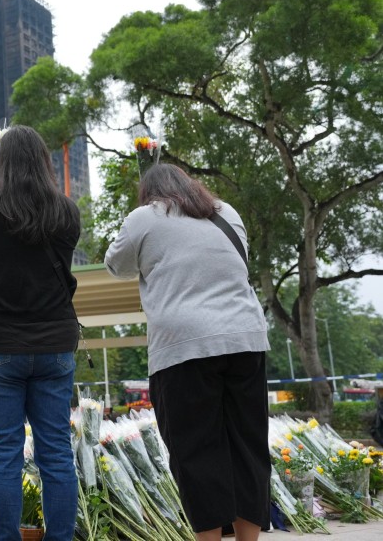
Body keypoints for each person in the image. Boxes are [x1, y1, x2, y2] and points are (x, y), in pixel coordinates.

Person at [104, 163, 270, 541]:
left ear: (149, 192)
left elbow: (116, 264)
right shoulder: (226, 212)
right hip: (245, 339)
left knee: (195, 452)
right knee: (249, 446)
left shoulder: (144, 217)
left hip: (184, 348)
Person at [0, 125, 81, 541]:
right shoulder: (65, 211)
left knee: (3, 455)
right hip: (55, 345)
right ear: (43, 162)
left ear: (0, 162)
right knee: (56, 453)